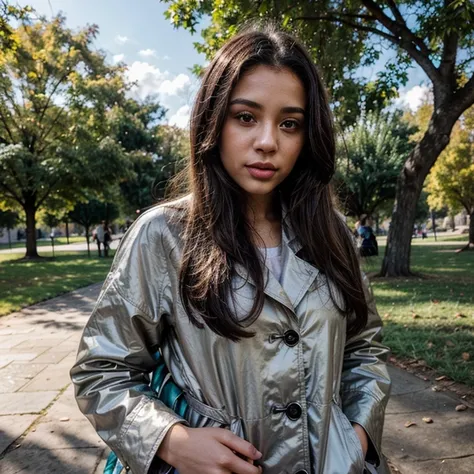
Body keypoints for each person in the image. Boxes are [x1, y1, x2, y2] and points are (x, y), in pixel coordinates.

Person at [71, 24, 391, 474]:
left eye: (290, 123)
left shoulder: (332, 232)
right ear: (213, 121)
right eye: (246, 117)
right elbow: (100, 370)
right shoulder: (163, 235)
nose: (267, 141)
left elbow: (364, 348)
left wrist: (356, 435)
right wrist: (170, 440)